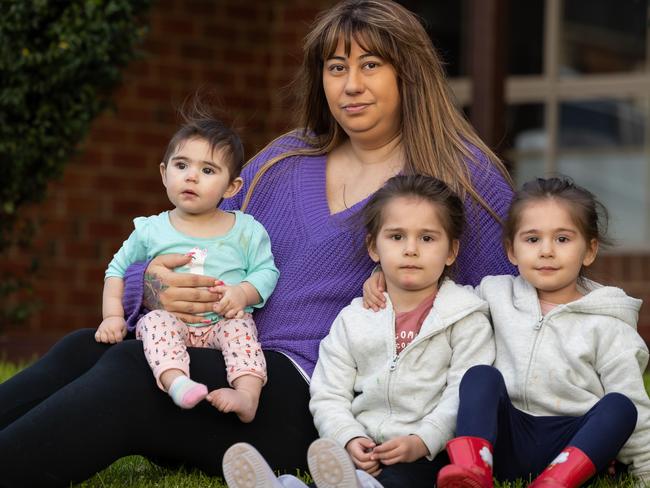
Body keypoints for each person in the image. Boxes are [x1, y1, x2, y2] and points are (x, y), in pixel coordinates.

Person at [0, 1, 516, 486]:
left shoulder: (463, 180)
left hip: (321, 398)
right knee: (82, 348)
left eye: (371, 65)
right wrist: (156, 287)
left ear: (410, 72)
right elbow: (186, 239)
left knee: (131, 371)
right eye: (336, 68)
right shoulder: (281, 163)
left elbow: (515, 310)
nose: (351, 85)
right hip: (223, 351)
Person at [220, 174, 496, 488]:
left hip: (430, 454)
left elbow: (461, 394)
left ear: (451, 250)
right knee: (358, 478)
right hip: (365, 448)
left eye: (427, 238)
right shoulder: (354, 319)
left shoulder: (465, 318)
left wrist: (422, 440)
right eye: (396, 237)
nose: (411, 250)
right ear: (373, 246)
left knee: (400, 480)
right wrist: (349, 437)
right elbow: (328, 393)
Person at [433, 177, 650, 488]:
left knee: (621, 407)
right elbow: (438, 301)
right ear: (512, 250)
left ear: (589, 251)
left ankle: (555, 482)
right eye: (532, 240)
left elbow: (637, 412)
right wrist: (383, 281)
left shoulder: (608, 323)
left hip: (572, 446)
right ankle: (472, 469)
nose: (546, 251)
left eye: (562, 239)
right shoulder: (492, 295)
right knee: (481, 375)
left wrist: (645, 474)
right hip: (503, 439)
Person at [97, 104, 278, 420]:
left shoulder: (246, 229)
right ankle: (177, 382)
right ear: (164, 173)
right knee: (154, 324)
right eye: (182, 166)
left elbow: (266, 270)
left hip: (222, 321)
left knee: (243, 333)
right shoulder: (150, 230)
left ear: (232, 187)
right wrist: (112, 316)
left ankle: (247, 396)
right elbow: (117, 270)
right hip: (174, 320)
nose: (192, 176)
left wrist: (243, 293)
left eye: (208, 170)